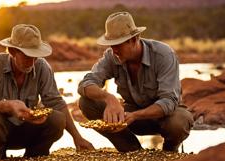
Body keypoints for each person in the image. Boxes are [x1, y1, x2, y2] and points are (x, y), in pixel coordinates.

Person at [0, 24, 94, 159]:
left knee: (57, 120)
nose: (32, 62)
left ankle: (34, 158)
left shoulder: (42, 66)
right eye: (27, 56)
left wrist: (77, 137)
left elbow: (56, 103)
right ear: (12, 51)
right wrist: (8, 106)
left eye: (36, 57)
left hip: (24, 130)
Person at [78, 12, 193, 152]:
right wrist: (108, 98)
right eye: (111, 44)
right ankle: (131, 149)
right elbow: (85, 83)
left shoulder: (164, 55)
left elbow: (168, 102)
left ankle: (170, 151)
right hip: (131, 117)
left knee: (179, 123)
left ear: (134, 39)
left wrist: (136, 115)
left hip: (164, 117)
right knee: (86, 102)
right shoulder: (112, 56)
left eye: (118, 45)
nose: (114, 50)